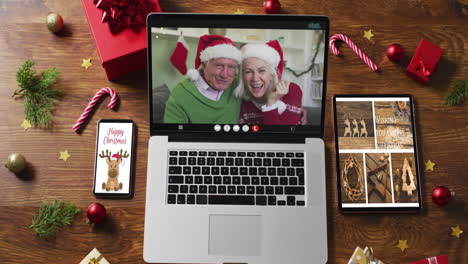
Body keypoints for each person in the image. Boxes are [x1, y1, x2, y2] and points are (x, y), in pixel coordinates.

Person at [164, 35, 242, 124]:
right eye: (219, 65)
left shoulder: (238, 86)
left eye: (231, 67)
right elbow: (174, 134)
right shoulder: (181, 93)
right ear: (204, 65)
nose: (224, 75)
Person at [234, 40, 303, 125]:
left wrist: (271, 102)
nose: (255, 78)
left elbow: (282, 134)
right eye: (248, 72)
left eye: (261, 71)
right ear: (242, 76)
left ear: (271, 74)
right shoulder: (241, 102)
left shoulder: (291, 90)